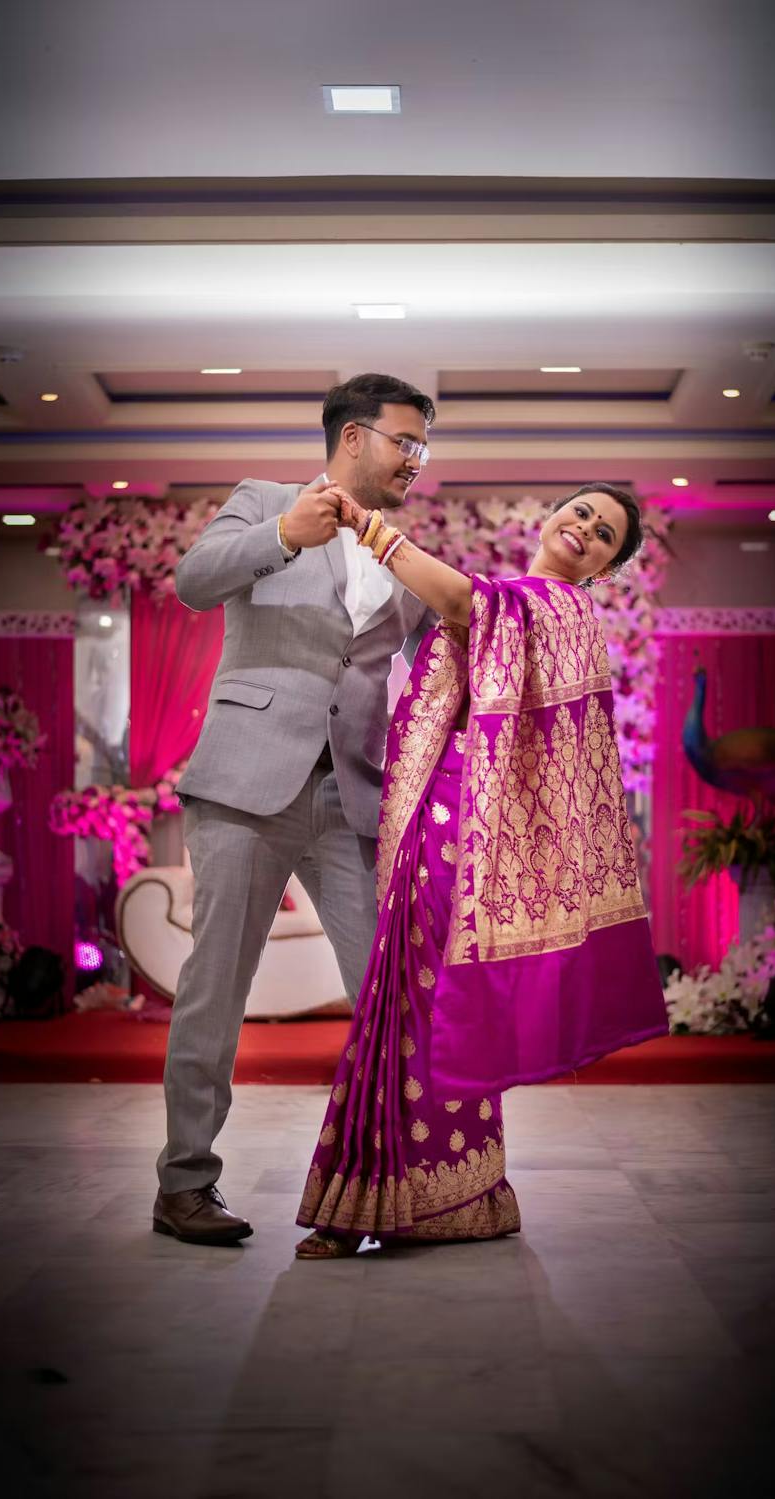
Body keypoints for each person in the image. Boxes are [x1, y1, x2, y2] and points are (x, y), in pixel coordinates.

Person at [295, 483, 669, 1257]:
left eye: (603, 534)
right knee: (410, 1006)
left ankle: (386, 1199)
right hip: (441, 825)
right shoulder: (531, 600)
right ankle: (432, 1192)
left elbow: (462, 602)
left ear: (603, 567)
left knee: (422, 1010)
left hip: (465, 836)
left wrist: (371, 527)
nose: (584, 529)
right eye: (581, 512)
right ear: (550, 514)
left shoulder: (554, 606)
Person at [153, 373, 437, 1245]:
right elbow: (193, 582)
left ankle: (403, 1181)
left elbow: (450, 654)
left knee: (388, 995)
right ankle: (185, 1185)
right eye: (405, 442)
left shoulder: (401, 554)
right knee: (215, 990)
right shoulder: (264, 501)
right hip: (246, 786)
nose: (415, 463)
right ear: (354, 438)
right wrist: (282, 534)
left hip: (350, 795)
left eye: (423, 448)